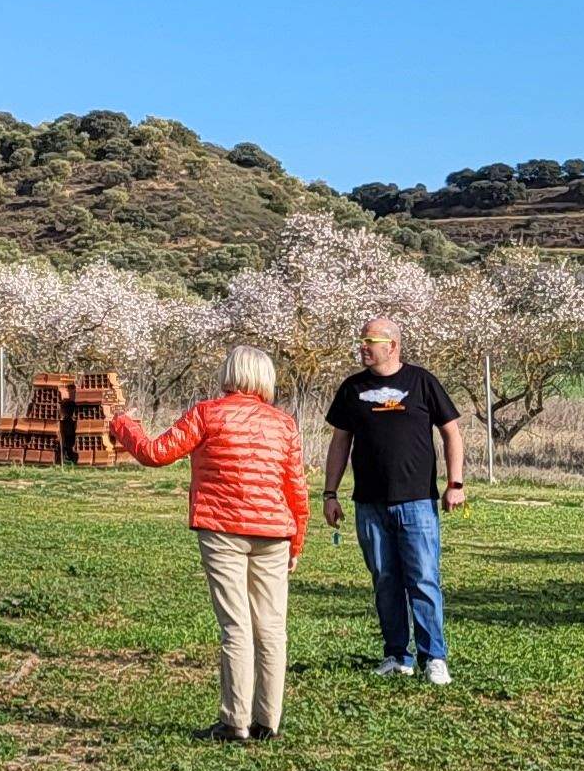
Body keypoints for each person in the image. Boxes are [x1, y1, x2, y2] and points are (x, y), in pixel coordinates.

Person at [107, 345, 311, 741]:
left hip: (222, 529)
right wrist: (296, 542)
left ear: (230, 373)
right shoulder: (284, 424)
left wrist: (124, 425)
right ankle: (267, 720)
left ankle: (235, 722)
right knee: (271, 627)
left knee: (236, 626)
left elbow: (156, 453)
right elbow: (297, 490)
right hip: (273, 532)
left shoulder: (207, 413)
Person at [321, 317, 466, 685]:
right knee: (385, 580)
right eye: (362, 340)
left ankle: (434, 657)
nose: (363, 347)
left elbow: (452, 433)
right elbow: (340, 442)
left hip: (417, 502)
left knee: (423, 579)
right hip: (369, 504)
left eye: (371, 340)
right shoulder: (352, 389)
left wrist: (455, 483)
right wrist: (330, 493)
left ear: (393, 346)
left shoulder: (422, 382)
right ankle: (397, 655)